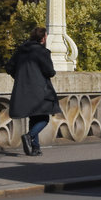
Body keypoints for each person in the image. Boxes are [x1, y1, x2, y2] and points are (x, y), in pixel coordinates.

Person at [7, 26, 60, 157]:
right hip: (39, 89)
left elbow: (9, 67)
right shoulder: (42, 52)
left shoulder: (21, 50)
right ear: (43, 38)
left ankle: (35, 148)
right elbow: (50, 72)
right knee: (45, 118)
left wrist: (20, 77)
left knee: (34, 117)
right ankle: (29, 136)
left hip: (24, 89)